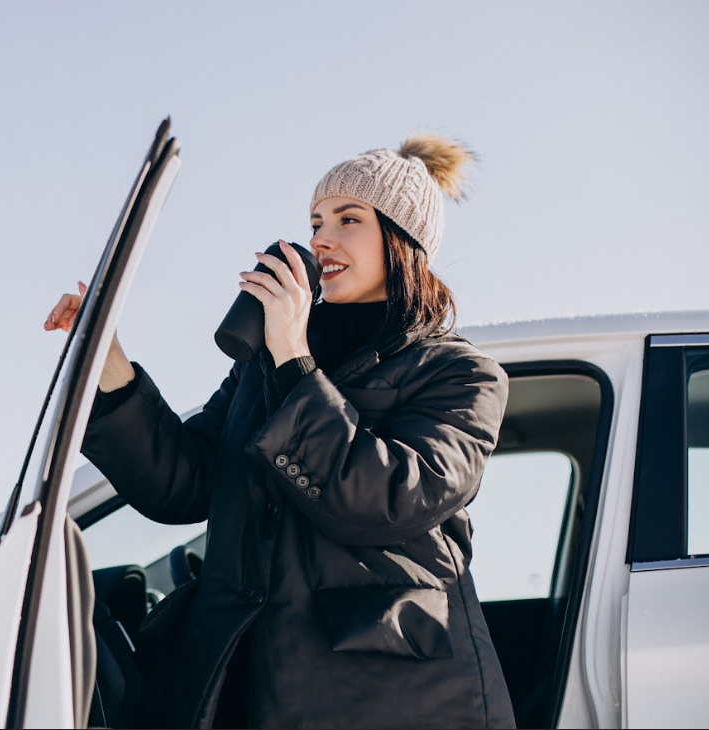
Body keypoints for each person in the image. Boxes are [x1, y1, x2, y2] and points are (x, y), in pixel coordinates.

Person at [45, 133, 515, 729]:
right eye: (316, 220)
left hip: (381, 699)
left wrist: (294, 357)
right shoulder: (264, 365)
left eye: (349, 220)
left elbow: (386, 499)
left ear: (403, 243)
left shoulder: (460, 374)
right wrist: (110, 366)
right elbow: (183, 484)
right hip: (243, 685)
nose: (322, 237)